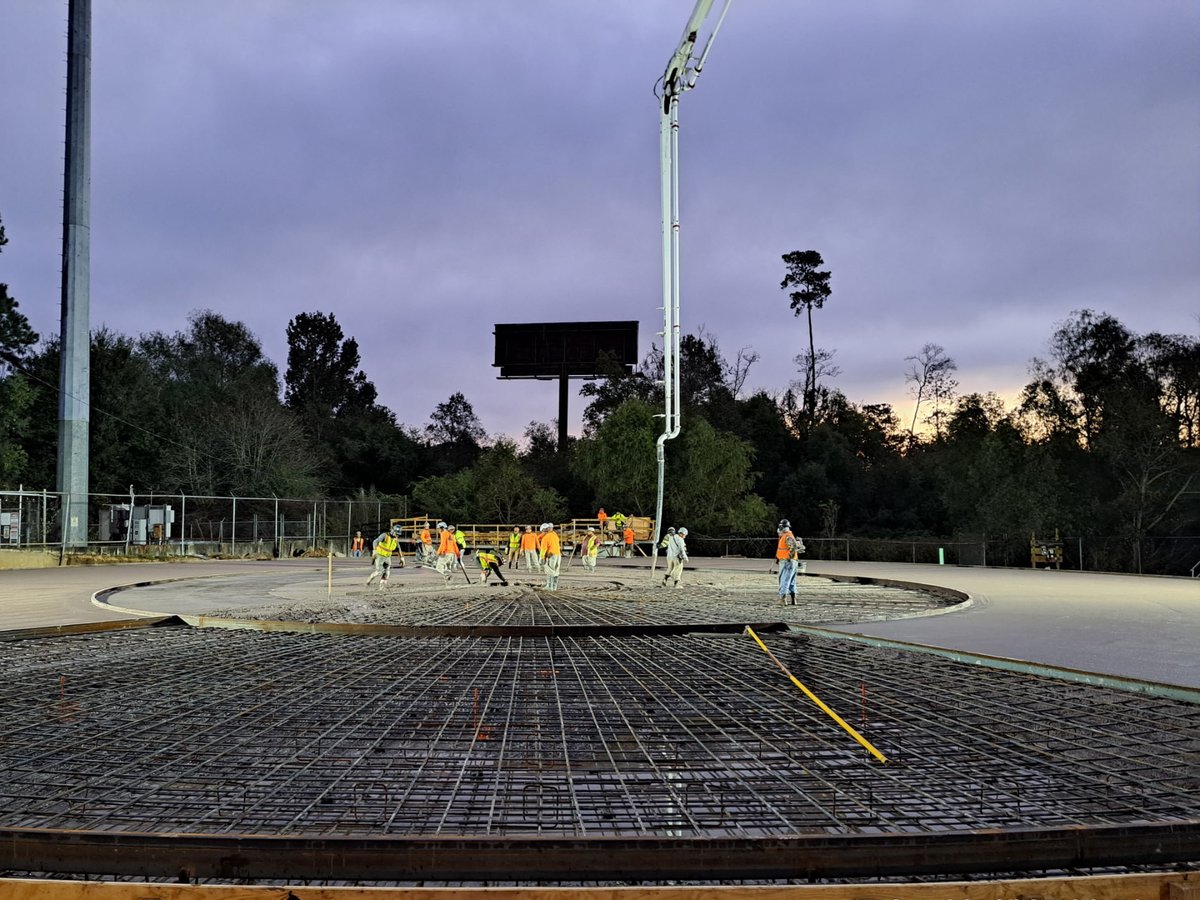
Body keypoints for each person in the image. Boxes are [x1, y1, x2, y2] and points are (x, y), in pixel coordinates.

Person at [776, 518, 805, 605]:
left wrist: (789, 557)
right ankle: (793, 599)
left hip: (787, 561)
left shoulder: (787, 536)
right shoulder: (787, 535)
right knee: (792, 581)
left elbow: (792, 548)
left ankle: (782, 599)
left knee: (784, 580)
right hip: (791, 561)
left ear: (782, 527)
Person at [539, 522, 562, 590]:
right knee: (556, 571)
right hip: (558, 555)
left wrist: (541, 558)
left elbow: (543, 549)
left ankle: (549, 586)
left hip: (551, 556)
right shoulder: (554, 535)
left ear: (544, 530)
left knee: (550, 571)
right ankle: (554, 587)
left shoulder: (545, 538)